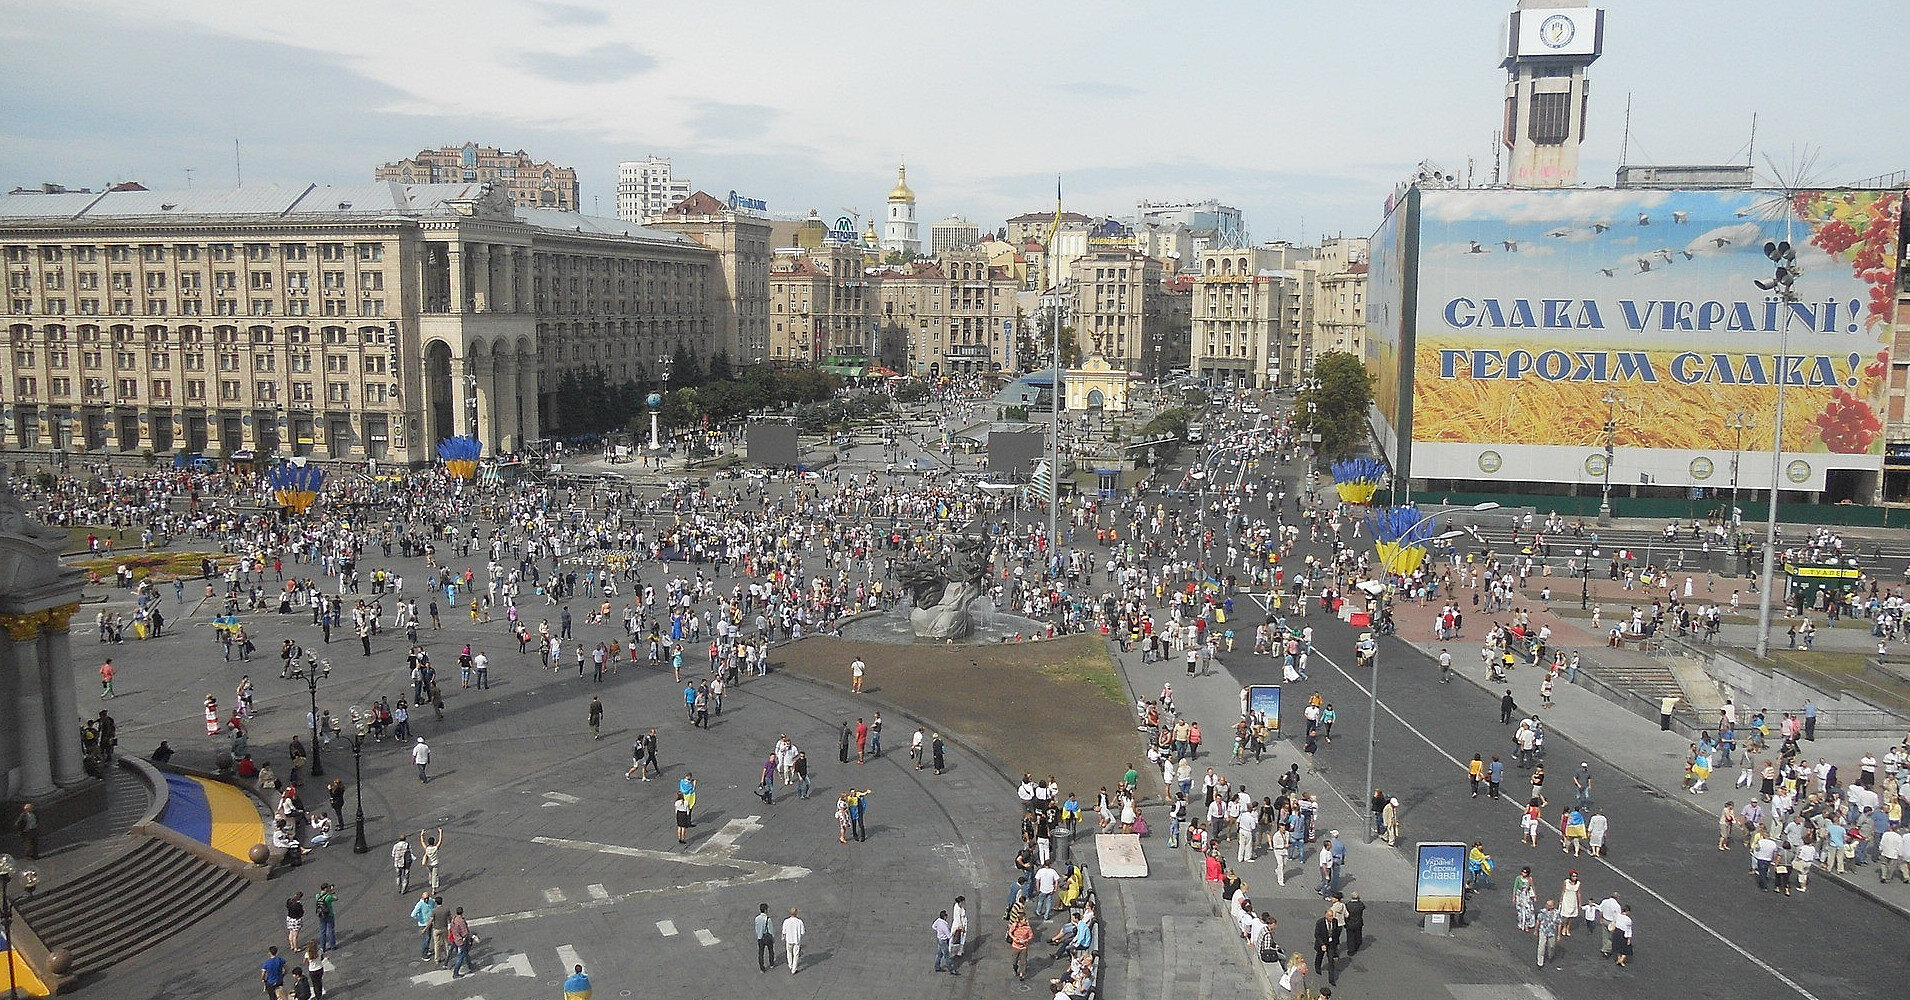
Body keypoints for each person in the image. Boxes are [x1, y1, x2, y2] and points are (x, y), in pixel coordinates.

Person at [1008, 911, 1035, 981]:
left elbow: (1031, 936)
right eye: (1024, 920)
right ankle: (1015, 968)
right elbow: (1010, 932)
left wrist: (1026, 940)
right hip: (1015, 947)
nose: (1026, 921)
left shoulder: (1028, 928)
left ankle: (1022, 974)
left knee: (1023, 962)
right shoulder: (1015, 926)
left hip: (1024, 947)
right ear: (1020, 920)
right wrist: (1014, 938)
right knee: (1014, 961)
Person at [1535, 898, 1562, 968]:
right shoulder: (1542, 911)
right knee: (1541, 946)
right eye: (1547, 904)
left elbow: (1559, 924)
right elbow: (1538, 920)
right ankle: (1540, 962)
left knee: (1552, 946)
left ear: (1553, 906)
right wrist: (1536, 930)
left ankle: (1550, 956)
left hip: (1552, 932)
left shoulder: (1557, 913)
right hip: (1543, 931)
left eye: (1549, 905)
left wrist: (1559, 935)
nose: (1547, 906)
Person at [419, 828, 445, 894]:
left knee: (430, 873)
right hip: (435, 863)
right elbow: (440, 841)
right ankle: (433, 889)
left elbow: (422, 842)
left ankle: (430, 881)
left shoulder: (427, 849)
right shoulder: (435, 848)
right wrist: (440, 832)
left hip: (428, 863)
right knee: (435, 875)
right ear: (433, 842)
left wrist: (422, 834)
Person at [782, 907, 806, 974]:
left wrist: (783, 937)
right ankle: (794, 969)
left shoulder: (786, 921)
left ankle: (790, 965)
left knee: (789, 952)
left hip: (789, 940)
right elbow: (802, 932)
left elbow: (784, 931)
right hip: (796, 941)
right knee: (796, 954)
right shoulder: (799, 922)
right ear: (796, 913)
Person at [755, 903, 776, 972]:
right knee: (770, 950)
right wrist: (773, 938)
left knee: (761, 952)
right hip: (767, 937)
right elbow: (770, 930)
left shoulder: (757, 918)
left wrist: (759, 935)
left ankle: (762, 967)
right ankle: (771, 963)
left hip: (760, 938)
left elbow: (756, 928)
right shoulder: (768, 919)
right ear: (766, 910)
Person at [934, 909, 956, 974]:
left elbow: (933, 926)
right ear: (945, 917)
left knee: (939, 954)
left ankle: (937, 966)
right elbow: (949, 936)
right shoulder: (944, 926)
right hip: (944, 941)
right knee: (947, 956)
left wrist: (938, 930)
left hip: (939, 939)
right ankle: (951, 969)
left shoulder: (938, 921)